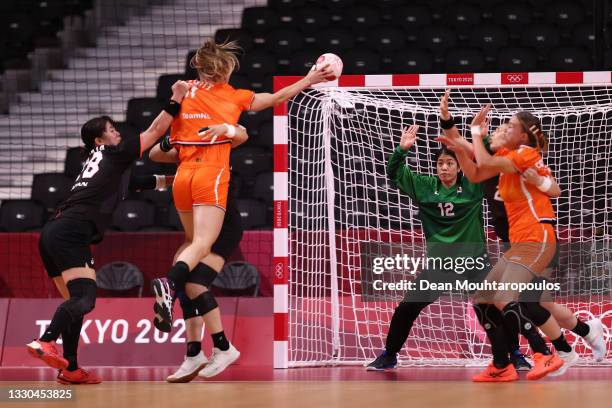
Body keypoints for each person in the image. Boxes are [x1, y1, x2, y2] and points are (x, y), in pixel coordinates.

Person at [150, 39, 334, 372]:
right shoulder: (200, 97)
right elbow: (155, 151)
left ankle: (178, 299)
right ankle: (201, 351)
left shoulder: (204, 97)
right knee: (190, 276)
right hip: (198, 183)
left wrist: (230, 130)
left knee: (190, 270)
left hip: (221, 211)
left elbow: (252, 123)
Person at [27, 80, 191, 384]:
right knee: (86, 300)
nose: (117, 131)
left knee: (76, 305)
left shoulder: (99, 163)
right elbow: (155, 131)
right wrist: (175, 99)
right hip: (72, 232)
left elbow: (142, 183)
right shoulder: (113, 154)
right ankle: (46, 340)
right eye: (112, 128)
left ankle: (71, 369)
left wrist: (183, 178)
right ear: (99, 139)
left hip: (54, 232)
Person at [437, 97, 606, 368]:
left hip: (535, 238)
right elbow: (464, 149)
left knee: (527, 303)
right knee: (538, 303)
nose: (501, 131)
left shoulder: (508, 158)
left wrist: (475, 134)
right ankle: (586, 332)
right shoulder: (498, 158)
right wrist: (449, 123)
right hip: (514, 240)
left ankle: (556, 353)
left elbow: (553, 188)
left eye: (507, 127)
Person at [366, 124, 519, 381]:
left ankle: (514, 354)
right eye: (440, 164)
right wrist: (402, 151)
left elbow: (488, 161)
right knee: (407, 307)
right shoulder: (424, 186)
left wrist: (483, 135)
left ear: (459, 166)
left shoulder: (472, 184)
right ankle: (389, 354)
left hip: (473, 261)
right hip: (440, 265)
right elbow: (394, 173)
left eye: (450, 163)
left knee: (492, 308)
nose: (445, 168)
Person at [149, 132, 246, 382]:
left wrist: (225, 127)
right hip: (196, 229)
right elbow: (154, 154)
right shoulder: (187, 146)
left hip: (222, 228)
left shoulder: (217, 144)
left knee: (195, 283)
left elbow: (241, 134)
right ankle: (194, 353)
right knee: (184, 284)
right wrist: (175, 140)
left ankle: (224, 347)